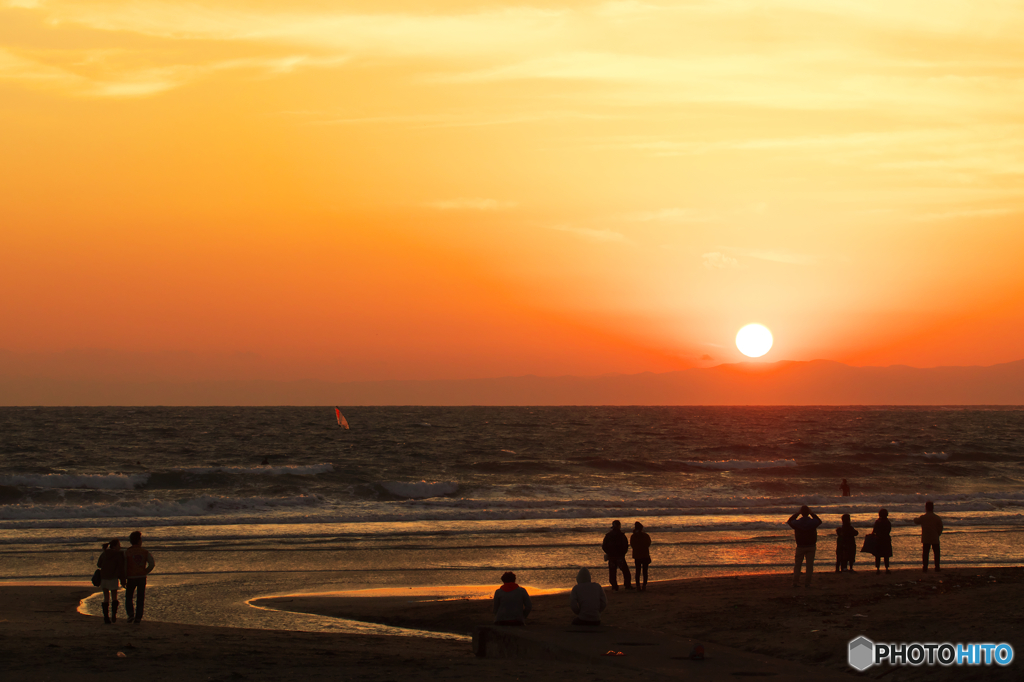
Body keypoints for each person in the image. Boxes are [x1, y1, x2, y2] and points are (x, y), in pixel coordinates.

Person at [123, 530, 155, 624]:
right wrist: (146, 571)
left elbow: (125, 566)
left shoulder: (127, 552)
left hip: (130, 577)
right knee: (140, 598)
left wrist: (124, 577)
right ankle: (138, 617)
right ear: (139, 540)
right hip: (141, 577)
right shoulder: (144, 552)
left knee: (129, 597)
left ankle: (130, 614)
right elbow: (152, 564)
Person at [786, 506, 822, 587]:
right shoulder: (812, 522)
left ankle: (795, 581)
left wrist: (797, 513)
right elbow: (819, 521)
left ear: (801, 513)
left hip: (800, 545)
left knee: (798, 564)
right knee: (809, 565)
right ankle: (807, 582)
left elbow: (789, 521)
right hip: (811, 545)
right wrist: (812, 513)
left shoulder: (797, 523)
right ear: (808, 512)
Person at [96, 539, 126, 624]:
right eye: (118, 545)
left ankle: (106, 617)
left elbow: (98, 564)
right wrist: (123, 581)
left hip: (104, 577)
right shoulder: (118, 555)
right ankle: (113, 614)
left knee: (106, 597)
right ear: (114, 546)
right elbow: (121, 568)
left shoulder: (104, 553)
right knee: (114, 596)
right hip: (113, 577)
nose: (120, 546)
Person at [602, 520, 633, 591]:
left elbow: (604, 546)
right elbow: (625, 546)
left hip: (612, 557)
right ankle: (627, 585)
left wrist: (608, 553)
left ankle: (614, 587)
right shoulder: (621, 535)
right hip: (620, 557)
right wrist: (623, 553)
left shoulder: (608, 535)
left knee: (612, 572)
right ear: (619, 526)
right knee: (626, 572)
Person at [915, 501, 943, 572]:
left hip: (926, 537)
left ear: (926, 508)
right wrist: (938, 534)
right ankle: (937, 567)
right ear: (933, 508)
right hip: (934, 537)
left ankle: (925, 567)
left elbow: (917, 521)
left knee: (925, 553)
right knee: (936, 553)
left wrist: (914, 518)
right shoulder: (937, 517)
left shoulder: (923, 517)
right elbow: (941, 527)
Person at [629, 522, 652, 592]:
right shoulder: (645, 535)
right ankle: (644, 585)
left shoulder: (633, 536)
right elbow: (648, 543)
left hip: (637, 555)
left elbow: (632, 545)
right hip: (645, 555)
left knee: (638, 571)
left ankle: (638, 586)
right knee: (645, 571)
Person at [871, 509, 893, 573]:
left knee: (878, 555)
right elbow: (888, 530)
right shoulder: (888, 522)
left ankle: (878, 569)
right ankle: (886, 568)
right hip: (886, 539)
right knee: (886, 555)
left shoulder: (877, 522)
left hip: (878, 539)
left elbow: (874, 531)